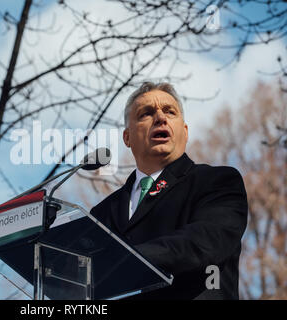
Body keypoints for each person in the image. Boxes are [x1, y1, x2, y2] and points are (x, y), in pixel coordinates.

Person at [90, 81, 248, 300]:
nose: (160, 117)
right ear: (127, 137)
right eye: (146, 113)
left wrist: (128, 259)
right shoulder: (101, 213)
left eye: (169, 111)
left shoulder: (218, 181)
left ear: (184, 131)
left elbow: (206, 241)